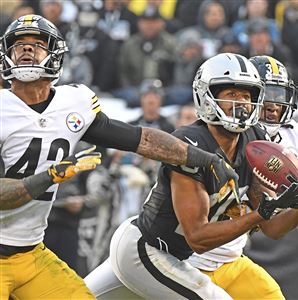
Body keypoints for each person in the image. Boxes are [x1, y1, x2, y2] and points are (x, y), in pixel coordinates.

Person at [0, 15, 239, 300]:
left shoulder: (72, 104)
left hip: (30, 252)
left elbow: (142, 139)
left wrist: (206, 159)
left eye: (37, 44)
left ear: (55, 53)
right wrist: (48, 177)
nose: (27, 50)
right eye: (20, 45)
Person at [84, 53, 298, 299]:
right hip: (148, 251)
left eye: (246, 95)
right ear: (206, 97)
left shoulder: (255, 141)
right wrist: (260, 214)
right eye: (231, 94)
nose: (241, 103)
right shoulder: (191, 144)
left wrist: (294, 206)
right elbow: (197, 237)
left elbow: (271, 226)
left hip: (180, 257)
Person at [244, 55, 298, 299]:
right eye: (266, 94)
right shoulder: (236, 132)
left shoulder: (294, 132)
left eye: (279, 95)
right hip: (242, 231)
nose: (273, 105)